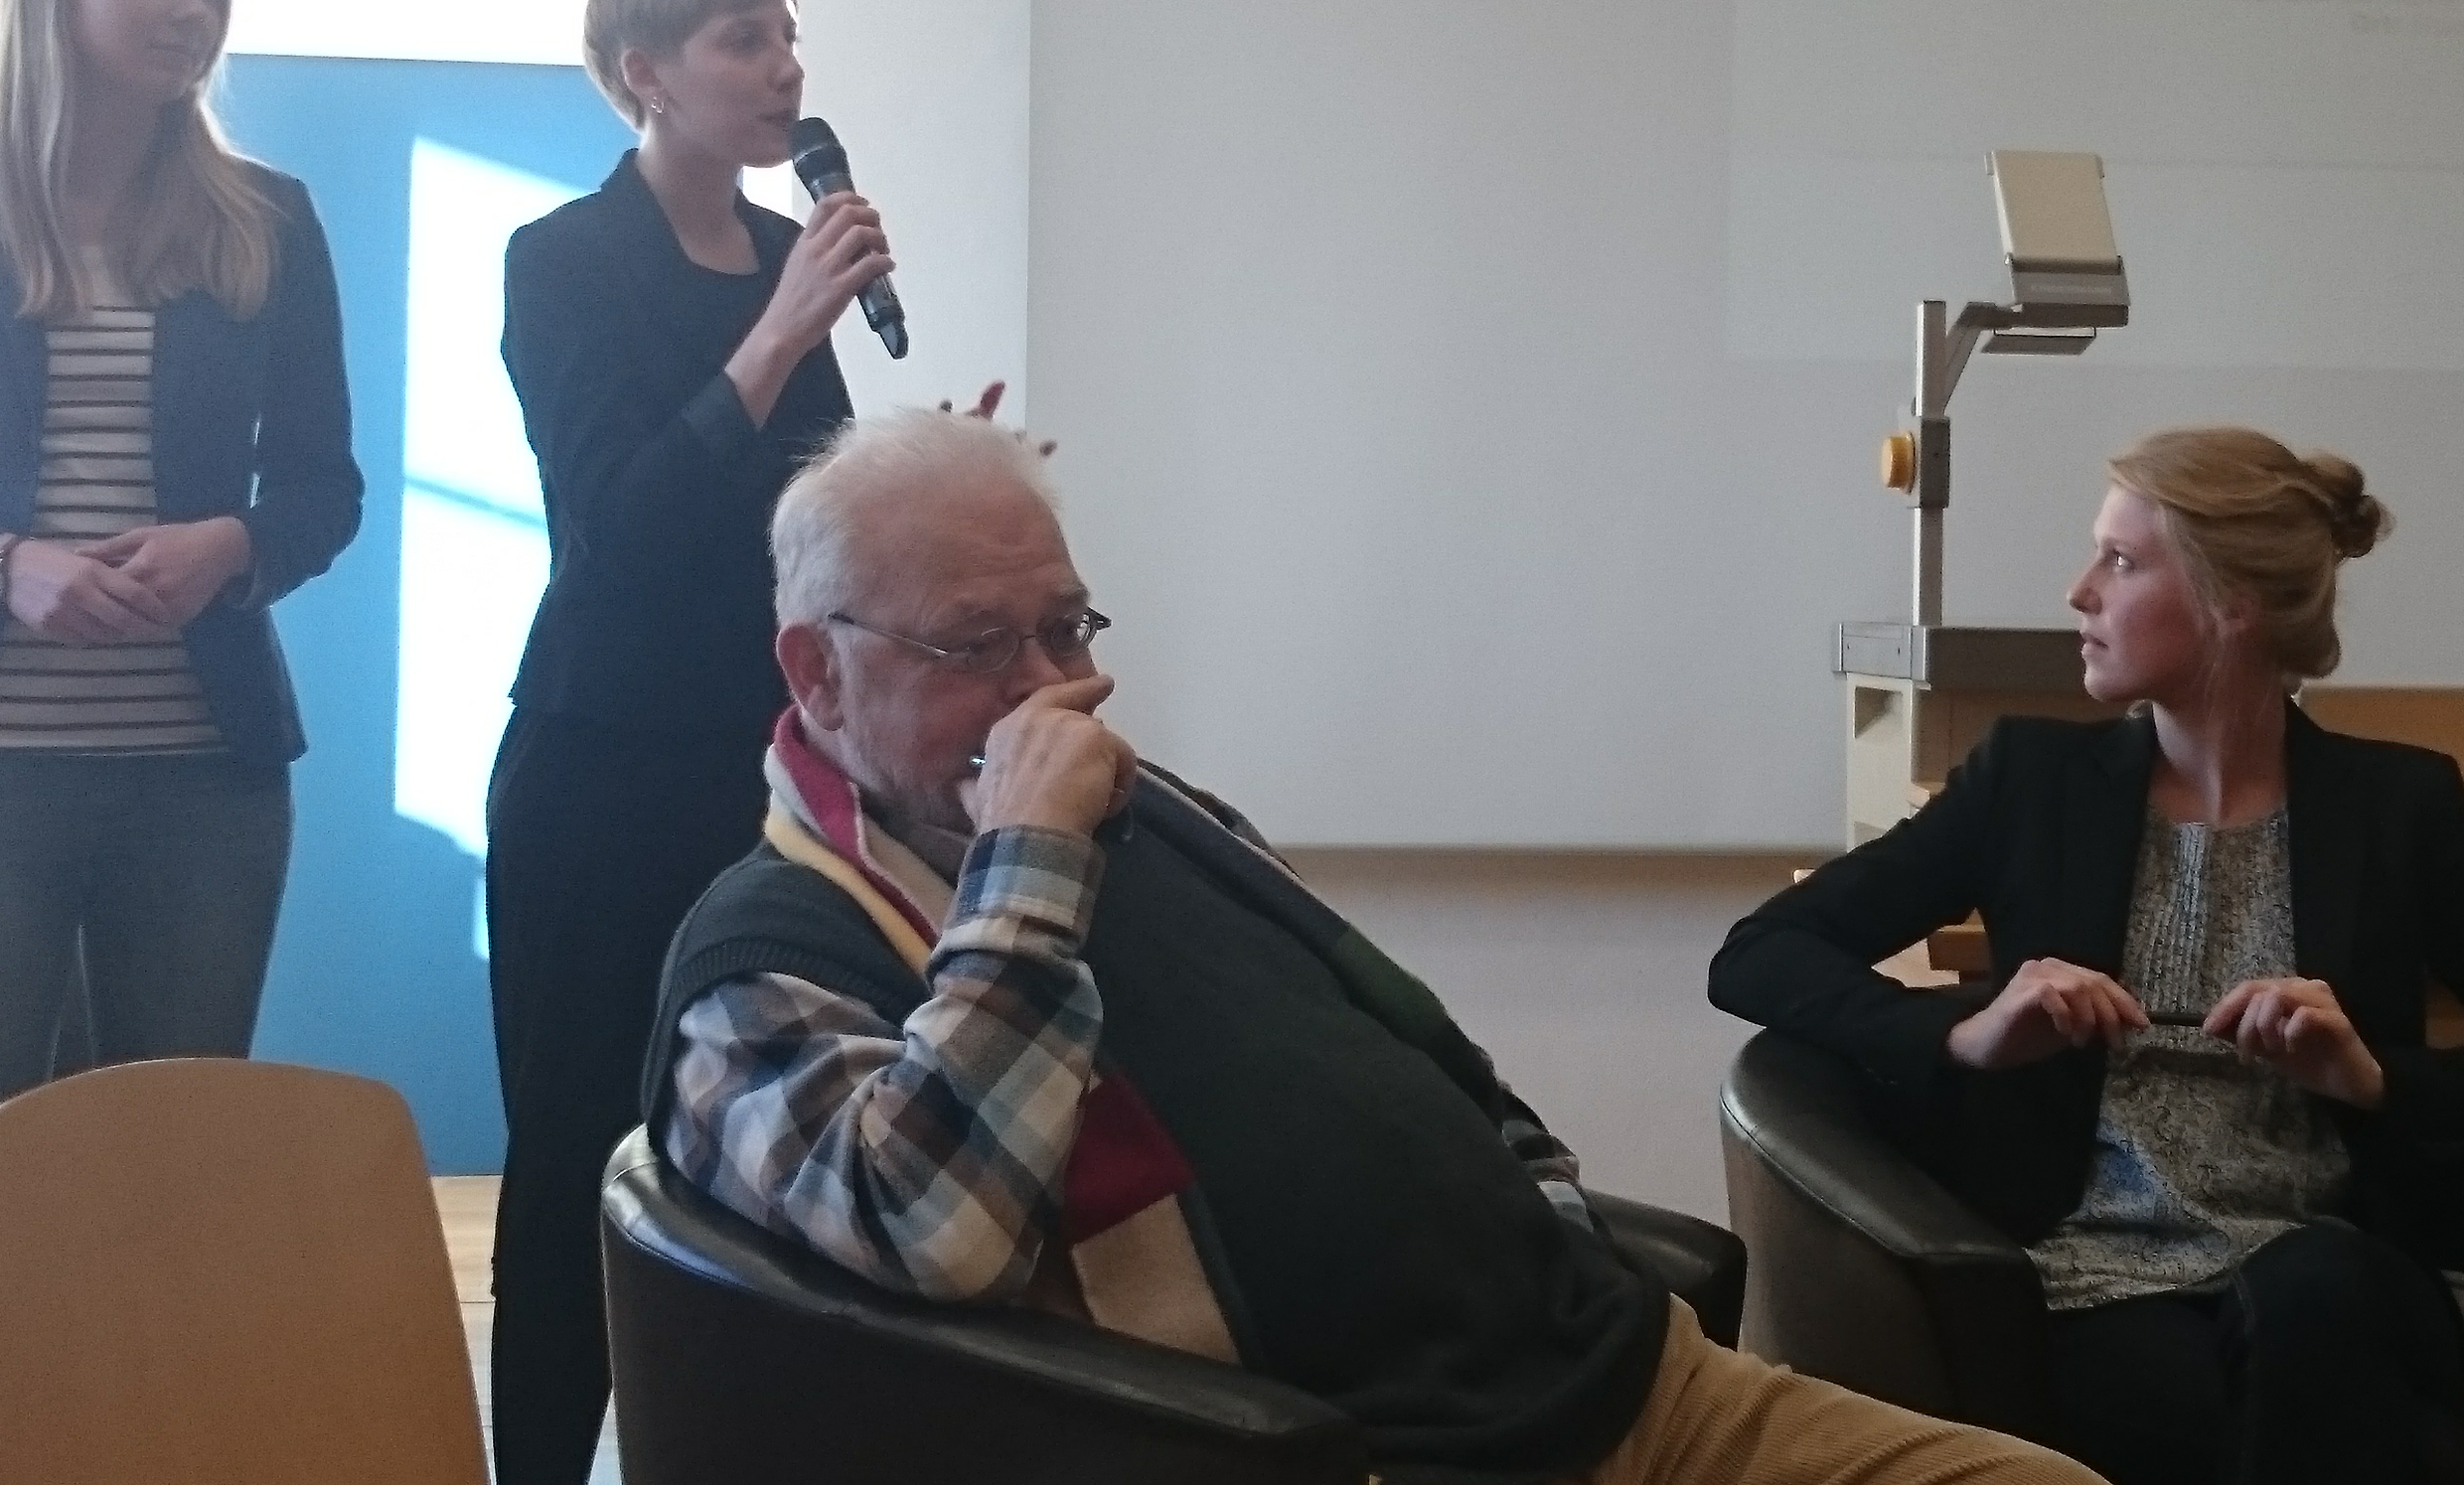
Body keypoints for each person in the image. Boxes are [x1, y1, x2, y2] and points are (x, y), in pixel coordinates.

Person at [646, 408, 2105, 1485]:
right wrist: (1031, 864)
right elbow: (932, 1228)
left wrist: (1553, 1218)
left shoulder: (1165, 818)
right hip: (1346, 1458)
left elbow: (1408, 1047)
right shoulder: (765, 957)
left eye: (1067, 628)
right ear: (816, 671)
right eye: (977, 645)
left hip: (1626, 1380)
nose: (1053, 692)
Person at [1709, 427, 2464, 1485]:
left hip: (2339, 1275)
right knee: (2311, 1420)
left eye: (2120, 561)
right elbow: (1759, 954)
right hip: (2094, 1286)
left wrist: (2378, 1080)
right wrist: (1968, 1034)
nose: (2079, 592)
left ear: (2231, 602)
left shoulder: (2398, 808)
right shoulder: (2029, 783)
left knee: (2314, 1297)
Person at [0, 0, 361, 1485]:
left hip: (201, 779)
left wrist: (232, 544)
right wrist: (3, 563)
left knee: (169, 1185)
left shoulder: (266, 219)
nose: (191, 7)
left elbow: (323, 489)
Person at [482, 0, 903, 1483]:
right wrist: (783, 326)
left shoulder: (790, 251)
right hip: (601, 771)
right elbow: (620, 521)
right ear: (644, 74)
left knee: (768, 1149)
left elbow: (806, 514)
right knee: (577, 1152)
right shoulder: (563, 259)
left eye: (788, 36)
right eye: (744, 40)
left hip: (770, 773)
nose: (785, 69)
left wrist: (923, 485)